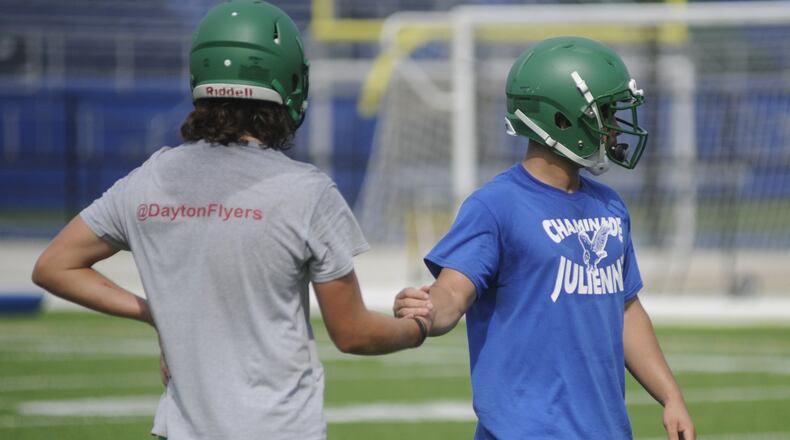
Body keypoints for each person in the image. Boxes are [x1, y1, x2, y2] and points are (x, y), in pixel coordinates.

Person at [31, 2, 430, 439]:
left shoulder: (148, 179)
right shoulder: (308, 192)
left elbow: (54, 266)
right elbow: (353, 333)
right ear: (291, 83)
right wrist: (417, 327)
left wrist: (154, 314)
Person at [394, 36, 695, 440]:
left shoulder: (609, 205)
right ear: (562, 119)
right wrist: (429, 309)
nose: (613, 127)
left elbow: (625, 310)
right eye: (604, 113)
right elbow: (453, 292)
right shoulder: (495, 205)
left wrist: (671, 396)